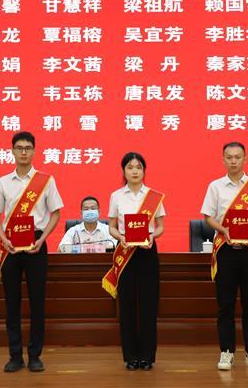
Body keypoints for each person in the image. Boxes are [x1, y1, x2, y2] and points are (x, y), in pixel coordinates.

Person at [0, 131, 64, 373]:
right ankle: (15, 356)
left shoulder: (46, 181)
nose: (23, 152)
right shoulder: (2, 182)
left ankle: (34, 355)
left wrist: (42, 239)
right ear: (12, 151)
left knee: (37, 302)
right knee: (12, 303)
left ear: (34, 151)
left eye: (28, 148)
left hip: (36, 244)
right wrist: (4, 240)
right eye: (19, 148)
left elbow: (56, 213)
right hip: (11, 245)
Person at [200, 141, 248, 371]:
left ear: (245, 159)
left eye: (237, 157)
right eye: (229, 157)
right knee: (226, 304)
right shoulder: (215, 187)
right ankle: (227, 352)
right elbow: (208, 217)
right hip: (225, 250)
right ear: (223, 160)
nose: (233, 161)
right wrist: (224, 230)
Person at [104, 152, 165, 371]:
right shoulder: (116, 196)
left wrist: (153, 236)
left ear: (144, 170)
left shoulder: (154, 196)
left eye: (138, 167)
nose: (134, 171)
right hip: (125, 251)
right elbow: (111, 226)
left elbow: (160, 226)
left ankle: (147, 356)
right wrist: (120, 237)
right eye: (130, 167)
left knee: (148, 305)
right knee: (127, 305)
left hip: (147, 252)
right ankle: (131, 356)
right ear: (124, 171)